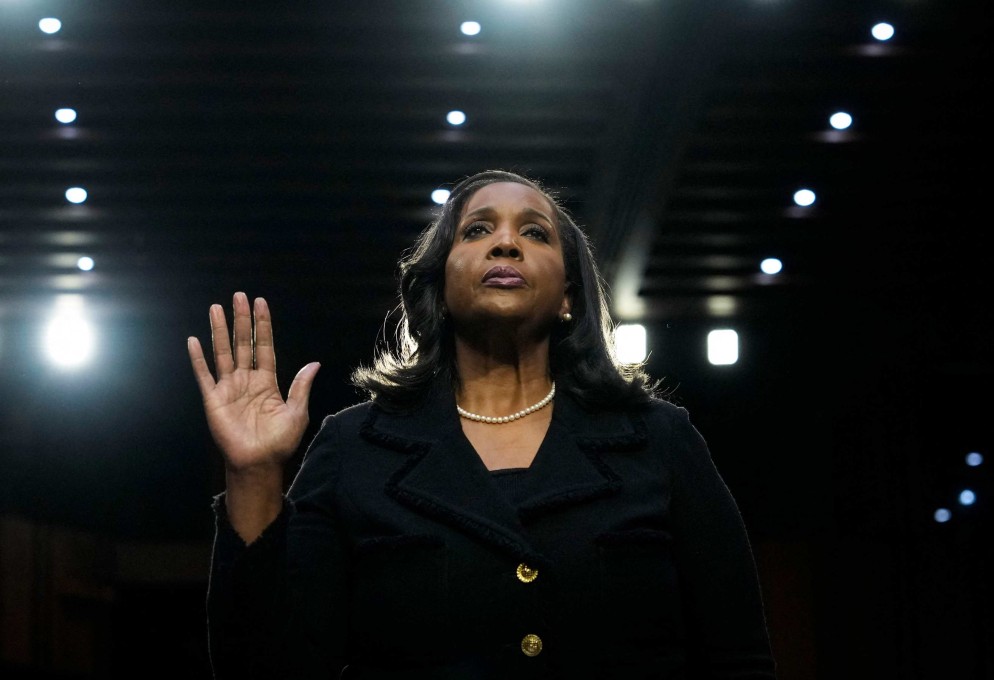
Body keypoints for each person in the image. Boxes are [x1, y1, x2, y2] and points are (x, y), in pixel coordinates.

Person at [187, 170, 777, 679]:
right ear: (439, 286)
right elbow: (267, 669)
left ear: (569, 295)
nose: (506, 244)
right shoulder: (354, 446)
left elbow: (738, 658)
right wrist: (255, 474)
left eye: (534, 233)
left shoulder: (660, 439)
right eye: (477, 230)